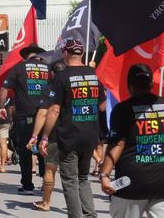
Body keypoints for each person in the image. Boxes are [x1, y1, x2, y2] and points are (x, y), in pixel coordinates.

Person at [99, 64, 164, 218]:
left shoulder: (123, 109)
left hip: (132, 183)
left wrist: (105, 175)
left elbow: (118, 144)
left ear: (129, 85)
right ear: (151, 84)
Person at [39, 39, 106, 218]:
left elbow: (54, 110)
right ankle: (91, 215)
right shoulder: (93, 75)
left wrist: (45, 137)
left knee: (70, 181)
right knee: (83, 178)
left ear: (65, 53)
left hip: (69, 136)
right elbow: (103, 106)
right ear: (82, 54)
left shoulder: (62, 77)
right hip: (90, 136)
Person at [0, 43, 49, 195]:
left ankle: (27, 185)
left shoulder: (19, 68)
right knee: (44, 149)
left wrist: (1, 106)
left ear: (26, 55)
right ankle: (47, 183)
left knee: (25, 151)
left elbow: (4, 88)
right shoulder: (49, 68)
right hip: (46, 116)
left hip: (25, 117)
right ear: (39, 55)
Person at [27, 59, 67, 212]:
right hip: (74, 134)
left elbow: (43, 113)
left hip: (54, 135)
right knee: (75, 175)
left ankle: (46, 202)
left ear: (52, 74)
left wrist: (35, 136)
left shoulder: (50, 89)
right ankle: (79, 206)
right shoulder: (73, 87)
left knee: (50, 169)